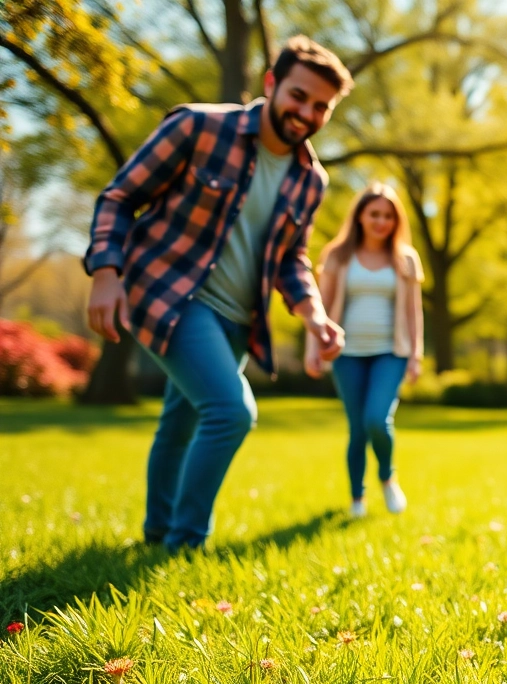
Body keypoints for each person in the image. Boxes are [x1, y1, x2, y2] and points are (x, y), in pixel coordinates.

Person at [83, 36, 354, 552]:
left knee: (181, 418)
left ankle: (157, 533)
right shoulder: (199, 126)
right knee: (230, 411)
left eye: (322, 106)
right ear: (271, 83)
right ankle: (184, 544)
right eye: (299, 96)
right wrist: (105, 272)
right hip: (168, 293)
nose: (307, 113)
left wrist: (315, 315)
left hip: (236, 319)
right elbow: (120, 196)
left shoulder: (310, 179)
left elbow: (291, 259)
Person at [306, 183, 424, 518]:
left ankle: (387, 477)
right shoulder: (338, 256)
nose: (381, 221)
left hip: (391, 352)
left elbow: (414, 312)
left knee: (376, 419)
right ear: (360, 216)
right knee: (357, 428)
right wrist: (313, 349)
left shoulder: (405, 259)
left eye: (388, 216)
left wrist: (415, 355)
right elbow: (321, 306)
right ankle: (357, 499)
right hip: (347, 354)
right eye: (374, 214)